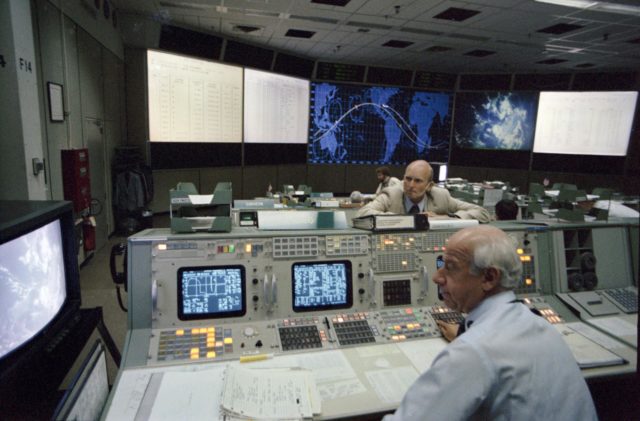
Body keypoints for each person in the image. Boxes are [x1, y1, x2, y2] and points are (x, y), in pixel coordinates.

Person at [383, 226, 597, 421]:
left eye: (450, 267)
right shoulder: (540, 326)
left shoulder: (472, 351)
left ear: (489, 278)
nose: (437, 278)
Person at [356, 160, 491, 222]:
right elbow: (362, 213)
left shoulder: (441, 196)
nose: (410, 185)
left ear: (429, 186)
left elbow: (483, 213)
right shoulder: (391, 194)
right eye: (407, 179)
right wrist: (409, 219)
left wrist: (447, 218)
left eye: (418, 181)